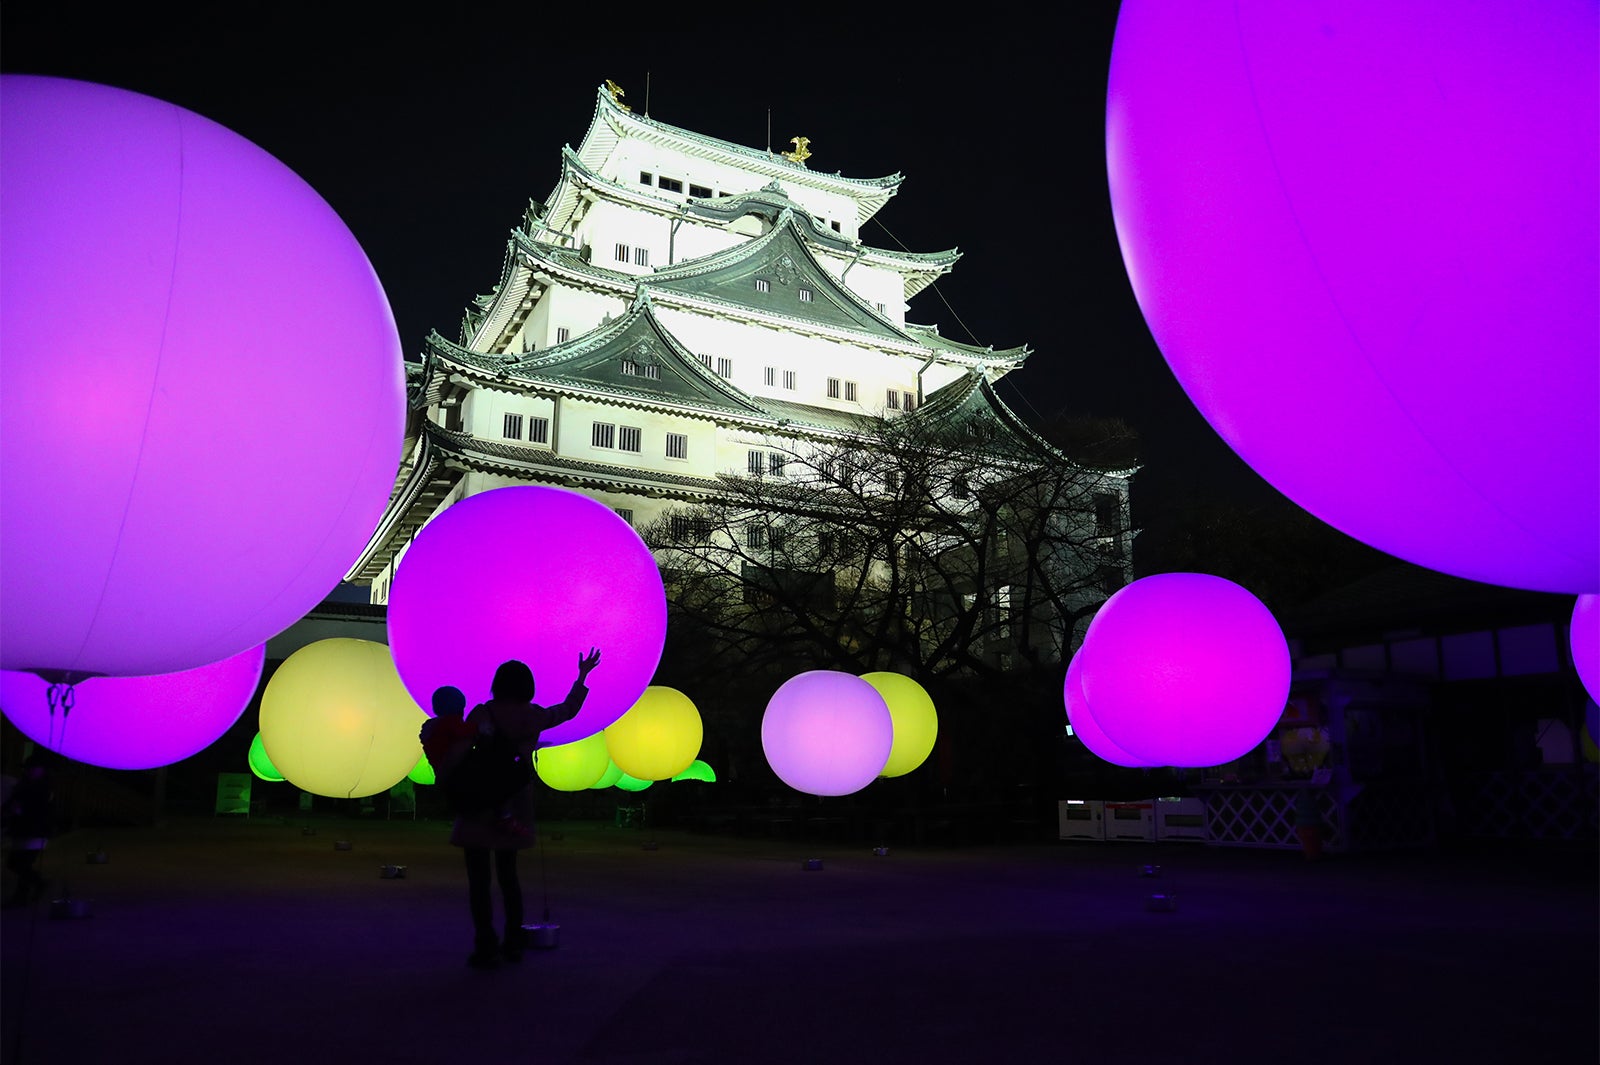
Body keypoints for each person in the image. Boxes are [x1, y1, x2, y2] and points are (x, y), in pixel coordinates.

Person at [453, 648, 600, 969]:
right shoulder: (532, 715)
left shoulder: (481, 714)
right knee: (509, 877)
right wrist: (582, 676)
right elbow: (568, 710)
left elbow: (462, 748)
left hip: (479, 801)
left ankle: (484, 945)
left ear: (498, 684)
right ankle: (513, 943)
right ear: (526, 686)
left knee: (478, 881)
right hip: (513, 803)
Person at [420, 685, 528, 837]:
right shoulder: (451, 725)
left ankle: (497, 816)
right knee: (499, 780)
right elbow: (462, 730)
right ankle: (504, 817)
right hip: (458, 771)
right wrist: (481, 728)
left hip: (445, 771)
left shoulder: (435, 729)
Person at [3, 752, 54, 908]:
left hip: (34, 831)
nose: (30, 771)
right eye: (29, 768)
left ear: (42, 770)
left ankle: (36, 885)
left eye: (34, 768)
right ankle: (23, 895)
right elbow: (12, 802)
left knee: (19, 863)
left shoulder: (43, 788)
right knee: (18, 862)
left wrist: (21, 810)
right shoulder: (23, 785)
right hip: (22, 829)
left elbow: (42, 810)